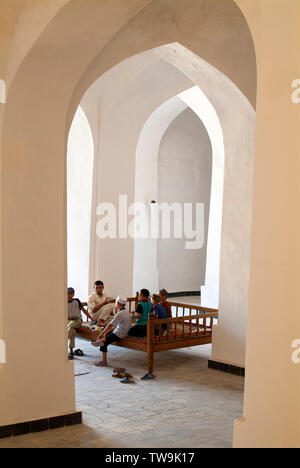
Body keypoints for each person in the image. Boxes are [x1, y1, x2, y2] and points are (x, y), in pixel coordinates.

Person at [92, 296, 132, 367]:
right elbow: (115, 326)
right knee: (108, 332)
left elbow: (110, 325)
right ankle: (102, 338)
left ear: (118, 303)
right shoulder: (126, 312)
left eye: (116, 302)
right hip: (122, 332)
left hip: (119, 334)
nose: (115, 304)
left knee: (103, 343)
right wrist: (106, 332)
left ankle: (104, 361)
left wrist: (102, 333)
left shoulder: (119, 314)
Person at [67, 287, 83, 360]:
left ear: (73, 294)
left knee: (70, 326)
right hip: (69, 320)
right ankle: (71, 351)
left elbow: (84, 310)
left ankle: (63, 344)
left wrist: (91, 318)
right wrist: (70, 318)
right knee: (72, 330)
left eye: (71, 293)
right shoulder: (63, 302)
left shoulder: (77, 301)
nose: (69, 295)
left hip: (77, 320)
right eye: (68, 293)